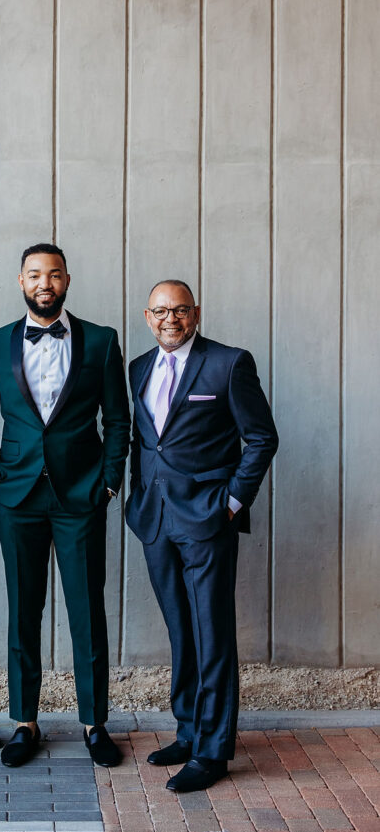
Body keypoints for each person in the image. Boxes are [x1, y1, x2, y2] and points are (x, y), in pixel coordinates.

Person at [0, 244, 130, 769]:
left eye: (54, 274)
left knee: (87, 611)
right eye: (35, 275)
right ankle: (24, 721)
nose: (45, 283)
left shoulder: (102, 342)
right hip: (16, 496)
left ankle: (94, 723)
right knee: (23, 611)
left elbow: (118, 420)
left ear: (67, 280)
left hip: (81, 495)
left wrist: (108, 483)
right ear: (20, 281)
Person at [126, 280, 278, 793]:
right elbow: (142, 441)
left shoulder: (229, 363)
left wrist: (232, 503)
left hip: (208, 520)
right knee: (181, 631)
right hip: (155, 520)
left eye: (182, 310)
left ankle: (213, 750)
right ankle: (189, 730)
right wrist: (135, 498)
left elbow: (261, 438)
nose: (172, 319)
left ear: (195, 313)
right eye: (162, 311)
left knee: (212, 633)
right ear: (148, 316)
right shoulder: (139, 368)